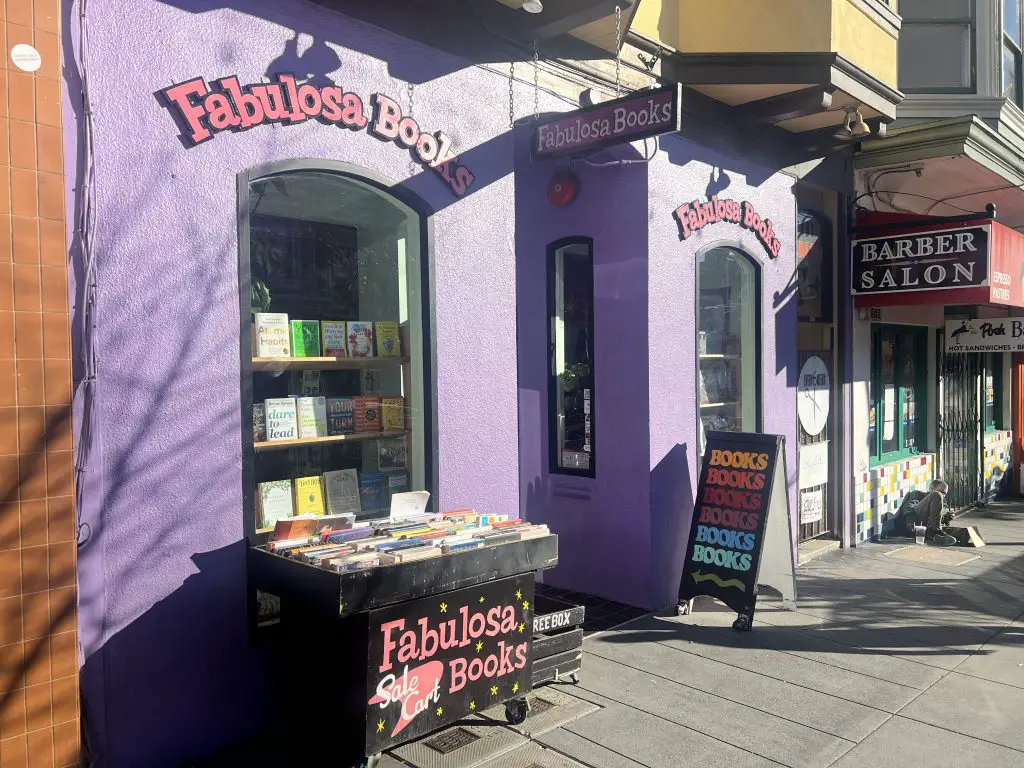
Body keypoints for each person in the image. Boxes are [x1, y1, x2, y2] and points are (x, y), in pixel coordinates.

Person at [916, 479, 957, 546]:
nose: (943, 495)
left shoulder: (941, 504)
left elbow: (935, 518)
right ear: (931, 488)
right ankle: (936, 532)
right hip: (916, 519)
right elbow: (909, 507)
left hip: (925, 527)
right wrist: (910, 519)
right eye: (941, 492)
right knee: (937, 495)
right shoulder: (917, 494)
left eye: (944, 494)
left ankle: (934, 534)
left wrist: (946, 518)